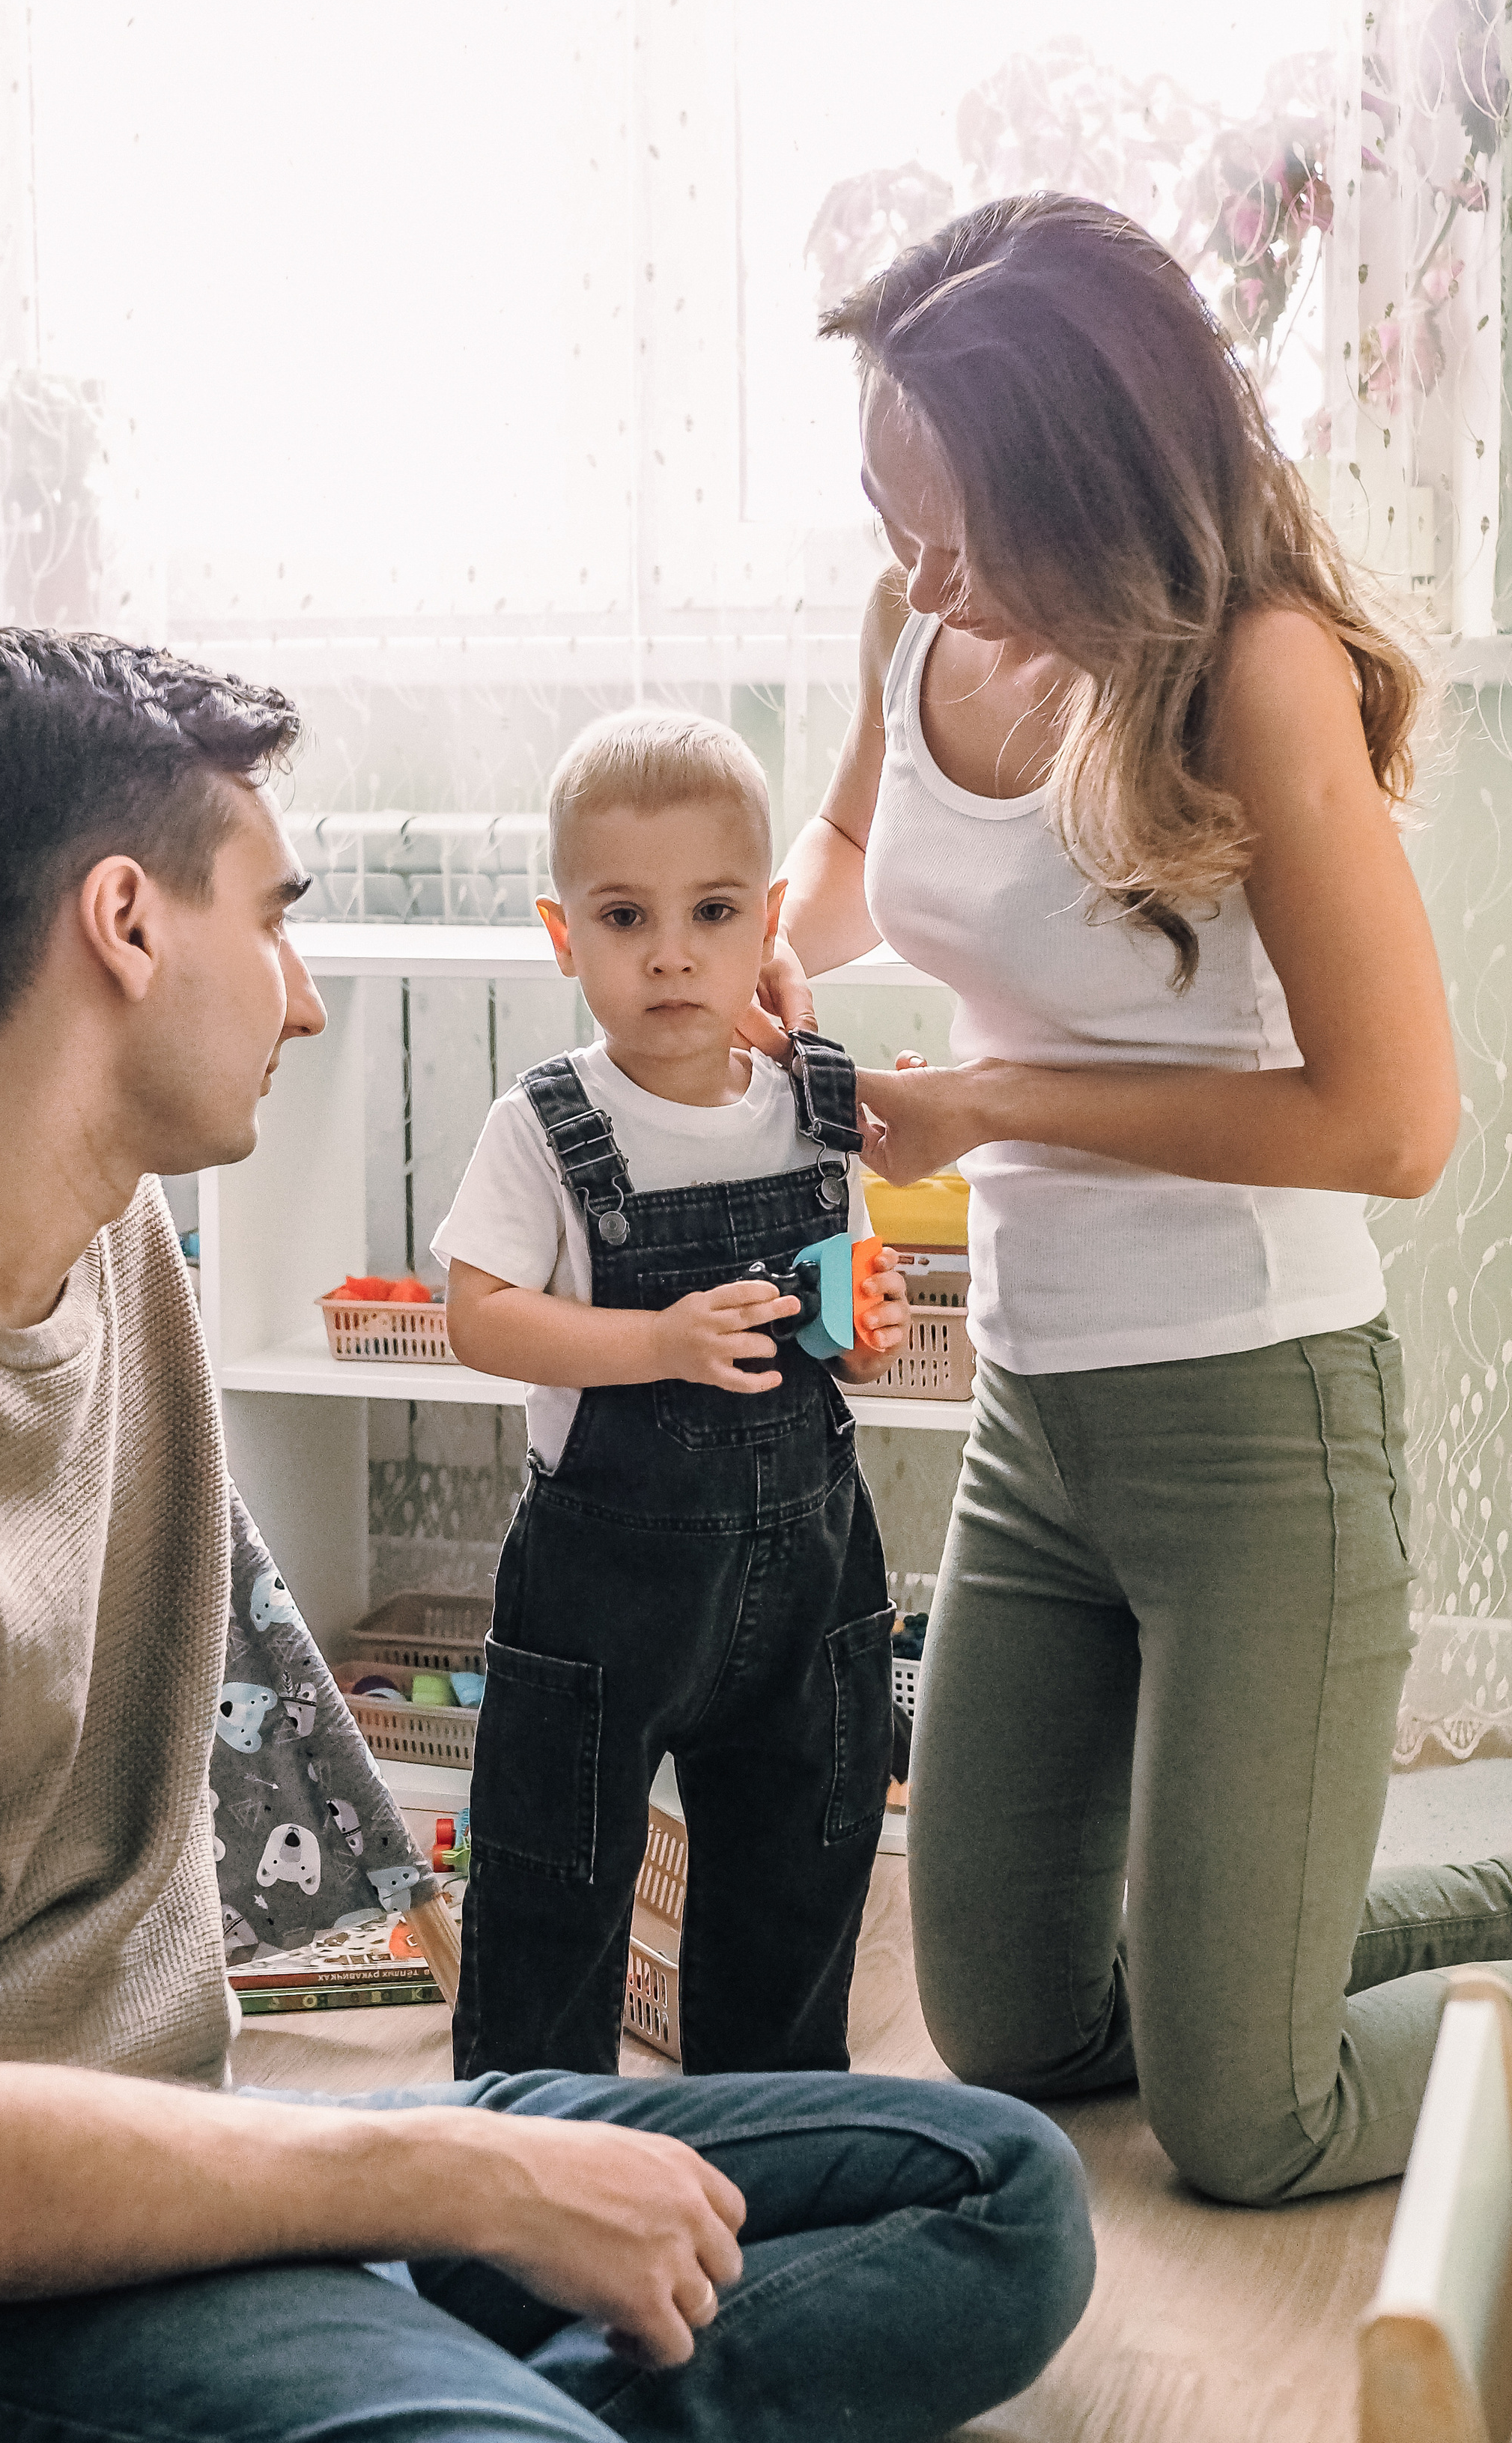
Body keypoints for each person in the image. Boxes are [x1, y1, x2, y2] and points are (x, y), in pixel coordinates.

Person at [0, 629, 1095, 2443]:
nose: (302, 997)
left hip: (189, 2150)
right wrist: (458, 2182)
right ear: (128, 927)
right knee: (526, 2352)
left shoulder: (108, 1229)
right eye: (276, 919)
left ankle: (447, 2397)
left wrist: (424, 2173)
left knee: (996, 2198)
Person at [751, 189, 1505, 2206]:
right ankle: (1256, 1960)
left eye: (963, 528)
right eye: (888, 511)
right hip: (1042, 1418)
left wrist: (993, 1101)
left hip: (1261, 1416)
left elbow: (1394, 1122)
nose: (918, 569)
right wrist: (762, 949)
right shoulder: (917, 617)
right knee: (1016, 2022)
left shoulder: (1258, 671)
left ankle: (1291, 1993)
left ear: (1094, 490)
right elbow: (845, 843)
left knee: (1251, 2120)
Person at [437, 711, 913, 2081]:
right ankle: (524, 2196)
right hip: (604, 1599)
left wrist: (863, 1328)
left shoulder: (815, 1106)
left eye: (711, 911)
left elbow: (848, 1306)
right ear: (561, 932)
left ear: (768, 917)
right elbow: (479, 1317)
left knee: (793, 1892)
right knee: (552, 1891)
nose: (670, 952)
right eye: (624, 915)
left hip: (808, 1588)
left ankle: (768, 2158)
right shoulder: (546, 1124)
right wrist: (658, 1340)